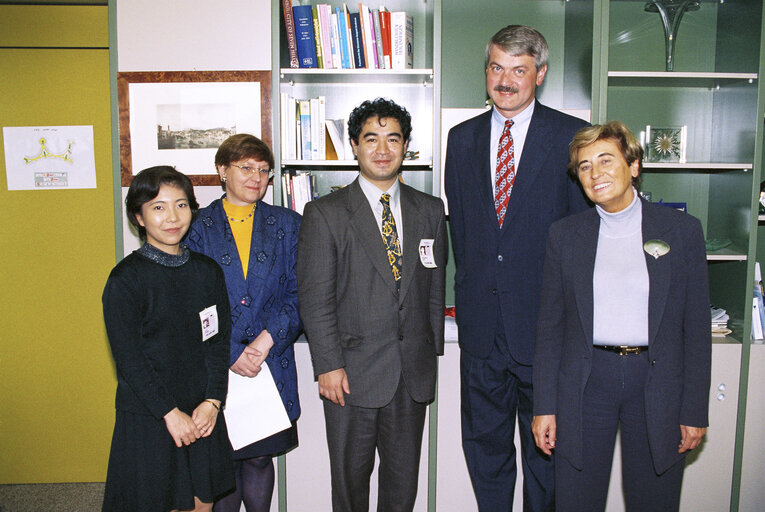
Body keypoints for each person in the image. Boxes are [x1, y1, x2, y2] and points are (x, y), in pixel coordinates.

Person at [443, 24, 589, 511]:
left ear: (540, 74)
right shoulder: (460, 140)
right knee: (484, 452)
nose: (504, 81)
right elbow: (462, 231)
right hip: (482, 332)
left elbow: (581, 239)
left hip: (546, 332)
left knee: (546, 457)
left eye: (518, 71)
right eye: (496, 68)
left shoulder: (571, 137)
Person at [531, 121, 711, 511]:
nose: (595, 173)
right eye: (583, 166)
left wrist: (694, 410)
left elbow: (696, 331)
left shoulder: (682, 232)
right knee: (576, 499)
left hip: (656, 380)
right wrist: (544, 405)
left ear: (634, 165)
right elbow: (550, 330)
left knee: (654, 500)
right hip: (585, 382)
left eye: (606, 160)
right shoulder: (564, 236)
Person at [297, 97, 447, 512]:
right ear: (354, 146)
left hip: (410, 374)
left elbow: (434, 286)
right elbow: (315, 297)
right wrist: (327, 364)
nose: (383, 149)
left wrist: (429, 353)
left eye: (393, 139)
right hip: (349, 374)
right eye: (371, 139)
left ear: (406, 146)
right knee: (350, 485)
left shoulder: (430, 210)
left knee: (403, 487)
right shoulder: (325, 213)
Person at [102, 166, 234, 512]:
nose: (172, 217)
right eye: (158, 207)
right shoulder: (125, 280)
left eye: (181, 205)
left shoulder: (207, 272)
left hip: (201, 411)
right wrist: (169, 413)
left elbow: (218, 344)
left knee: (201, 504)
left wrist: (213, 401)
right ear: (139, 217)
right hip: (152, 415)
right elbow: (129, 359)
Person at [185, 134, 302, 512]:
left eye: (264, 170)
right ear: (222, 171)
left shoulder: (289, 223)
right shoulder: (196, 226)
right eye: (246, 167)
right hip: (215, 365)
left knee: (258, 457)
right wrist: (233, 352)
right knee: (224, 459)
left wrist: (266, 342)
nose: (256, 177)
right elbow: (189, 299)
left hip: (271, 360)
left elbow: (303, 292)